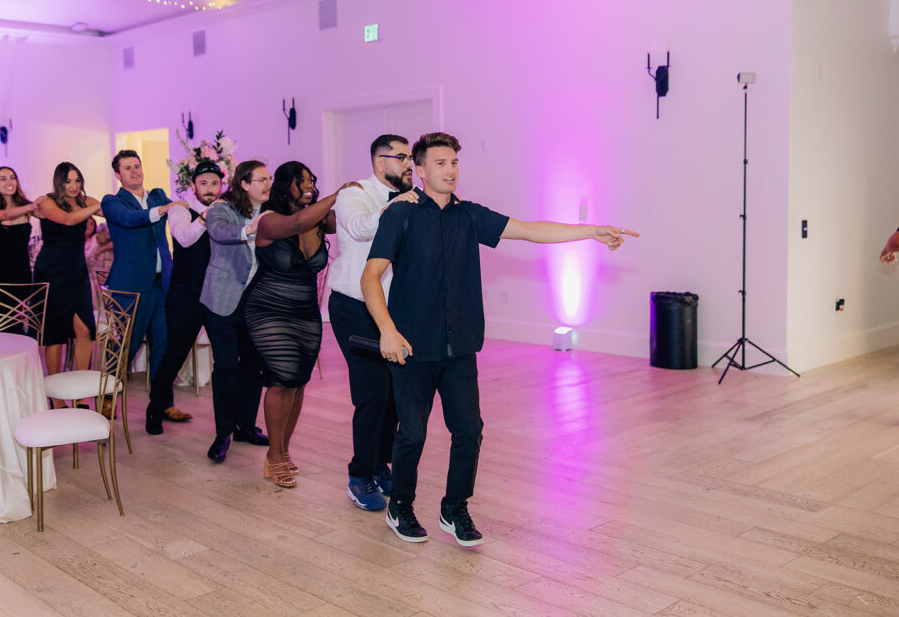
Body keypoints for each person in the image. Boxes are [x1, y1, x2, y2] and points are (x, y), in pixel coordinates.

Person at [361, 132, 639, 547]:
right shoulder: (400, 215)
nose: (450, 170)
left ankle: (454, 507)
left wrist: (591, 231)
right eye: (440, 163)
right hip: (412, 348)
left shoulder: (469, 215)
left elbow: (528, 229)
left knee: (469, 430)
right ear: (418, 170)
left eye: (454, 162)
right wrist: (387, 328)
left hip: (460, 348)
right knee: (412, 434)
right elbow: (371, 276)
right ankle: (400, 504)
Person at [244, 161, 356, 486]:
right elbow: (296, 223)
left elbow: (353, 221)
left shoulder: (319, 220)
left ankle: (280, 450)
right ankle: (274, 455)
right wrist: (337, 195)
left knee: (298, 381)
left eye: (310, 181)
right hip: (268, 308)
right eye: (300, 181)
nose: (307, 186)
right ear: (283, 186)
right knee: (281, 379)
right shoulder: (269, 220)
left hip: (306, 310)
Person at [327, 134, 416, 511]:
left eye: (412, 157)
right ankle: (359, 475)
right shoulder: (355, 193)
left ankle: (380, 464)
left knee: (395, 397)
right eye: (402, 157)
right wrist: (396, 205)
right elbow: (361, 228)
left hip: (389, 310)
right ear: (380, 163)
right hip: (352, 306)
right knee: (372, 394)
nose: (410, 164)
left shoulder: (412, 198)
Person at [144, 161, 228, 435]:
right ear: (193, 185)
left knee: (227, 361)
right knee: (173, 356)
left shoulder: (226, 210)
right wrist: (205, 217)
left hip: (217, 296)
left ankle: (229, 424)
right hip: (186, 296)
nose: (209, 188)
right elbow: (183, 239)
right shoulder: (180, 210)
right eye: (203, 183)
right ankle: (155, 410)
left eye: (214, 183)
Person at [199, 160, 271, 462]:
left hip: (255, 301)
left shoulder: (272, 210)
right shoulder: (222, 208)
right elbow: (218, 231)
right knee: (227, 366)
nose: (268, 184)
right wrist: (252, 228)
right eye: (262, 179)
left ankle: (244, 425)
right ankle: (222, 433)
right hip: (223, 298)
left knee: (254, 366)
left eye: (270, 179)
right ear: (244, 183)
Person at [101, 150, 186, 393]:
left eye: (137, 165)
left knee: (163, 347)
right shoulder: (112, 201)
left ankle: (162, 405)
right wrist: (162, 210)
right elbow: (129, 219)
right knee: (125, 347)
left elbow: (178, 214)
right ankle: (107, 399)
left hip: (162, 285)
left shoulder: (157, 195)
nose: (135, 170)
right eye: (127, 168)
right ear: (118, 174)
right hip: (130, 287)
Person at [34, 162, 103, 387]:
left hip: (77, 271)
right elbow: (67, 219)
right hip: (52, 272)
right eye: (68, 181)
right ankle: (56, 393)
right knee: (55, 334)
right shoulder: (47, 201)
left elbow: (111, 212)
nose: (74, 186)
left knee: (84, 329)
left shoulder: (85, 202)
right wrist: (95, 207)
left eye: (77, 180)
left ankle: (80, 388)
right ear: (59, 182)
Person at [0, 166, 40, 293]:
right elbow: (4, 215)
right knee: (1, 312)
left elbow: (47, 214)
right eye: (3, 179)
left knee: (21, 312)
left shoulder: (26, 206)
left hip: (22, 270)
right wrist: (30, 207)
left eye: (12, 178)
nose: (9, 182)